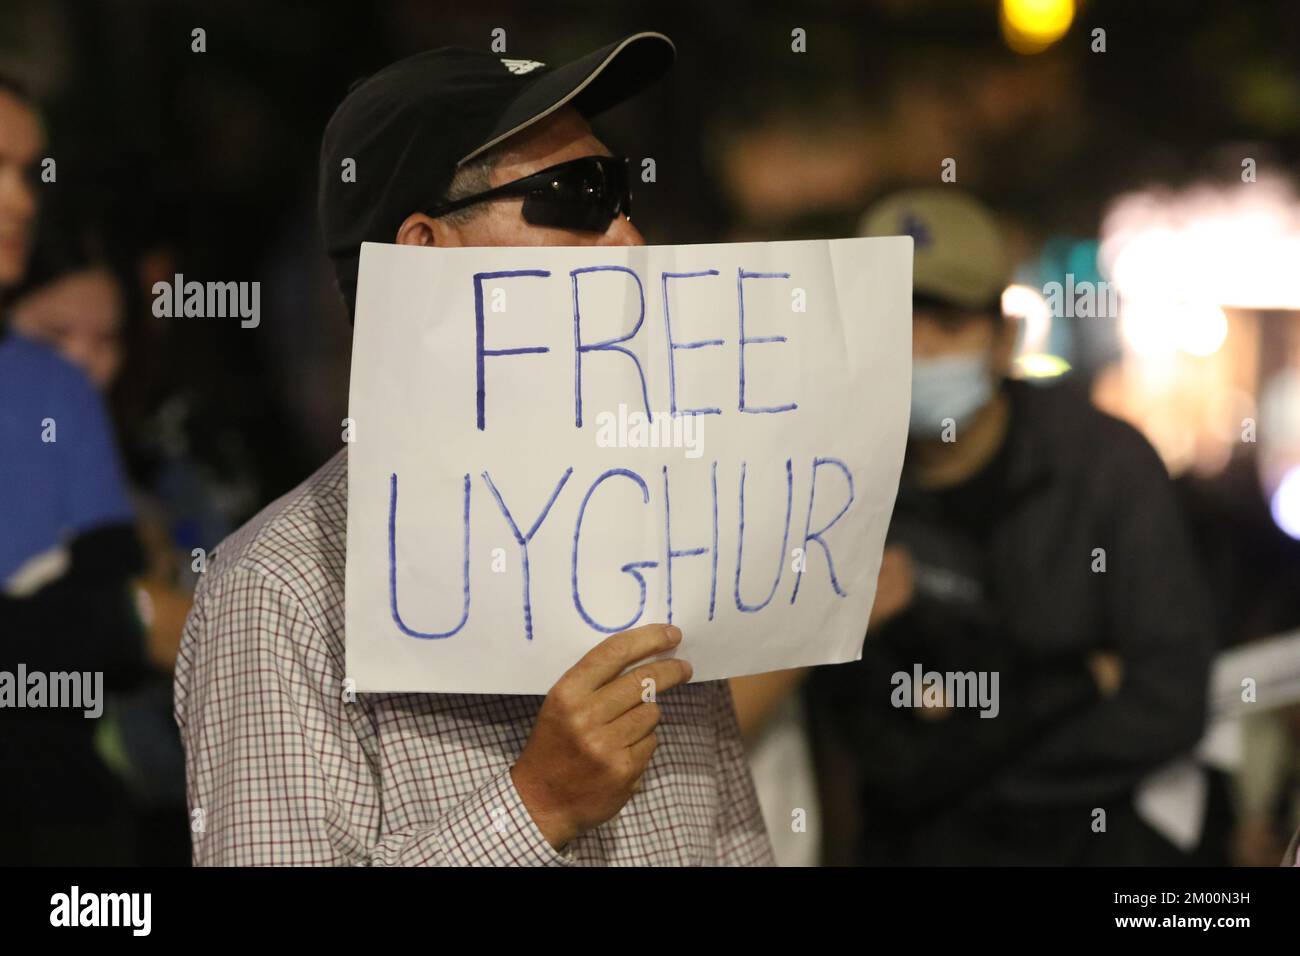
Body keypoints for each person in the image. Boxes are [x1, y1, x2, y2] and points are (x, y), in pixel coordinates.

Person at [174, 34, 775, 866]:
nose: (629, 238)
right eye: (576, 195)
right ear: (425, 251)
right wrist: (536, 806)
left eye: (622, 190)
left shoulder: (668, 532)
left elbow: (731, 844)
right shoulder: (281, 591)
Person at [808, 189, 1214, 865]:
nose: (917, 346)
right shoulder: (832, 485)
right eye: (891, 318)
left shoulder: (1103, 466)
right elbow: (868, 737)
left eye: (945, 319)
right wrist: (1075, 684)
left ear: (1003, 338)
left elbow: (1167, 698)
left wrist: (962, 765)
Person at [0, 73, 187, 864]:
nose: (19, 199)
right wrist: (129, 622)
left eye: (26, 170)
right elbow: (132, 614)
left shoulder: (52, 392)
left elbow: (121, 582)